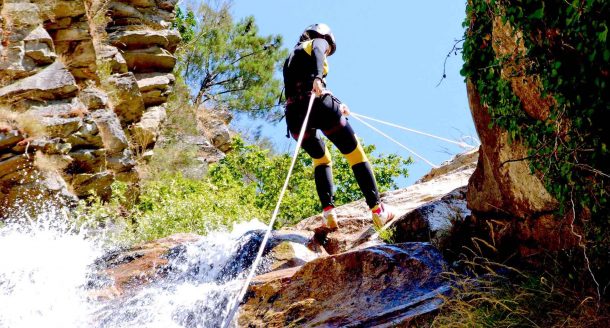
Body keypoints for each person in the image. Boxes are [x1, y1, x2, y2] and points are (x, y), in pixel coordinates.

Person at [283, 23, 394, 231]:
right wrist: (318, 77)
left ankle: (328, 212)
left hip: (294, 118)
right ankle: (378, 210)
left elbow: (303, 86)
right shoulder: (316, 42)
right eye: (328, 50)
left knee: (321, 159)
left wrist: (338, 101)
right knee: (355, 154)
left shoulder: (290, 59)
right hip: (318, 106)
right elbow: (318, 52)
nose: (326, 52)